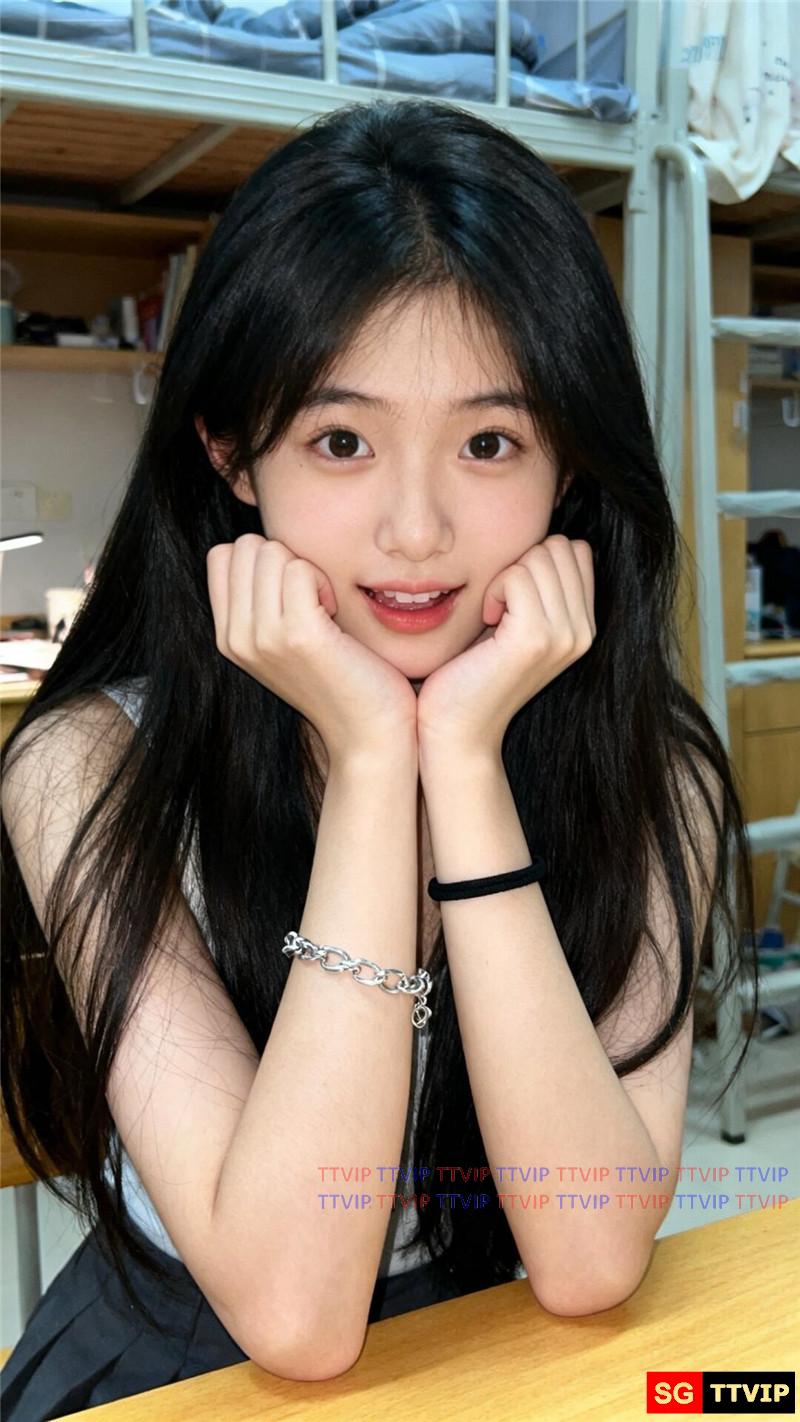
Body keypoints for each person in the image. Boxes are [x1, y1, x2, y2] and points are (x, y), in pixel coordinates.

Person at [0, 96, 758, 1417]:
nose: (416, 529)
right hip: (190, 1361)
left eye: (490, 441)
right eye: (341, 440)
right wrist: (367, 766)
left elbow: (587, 1252)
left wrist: (459, 760)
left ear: (569, 465)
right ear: (232, 453)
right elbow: (293, 1311)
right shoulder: (83, 767)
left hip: (499, 1343)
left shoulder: (656, 776)